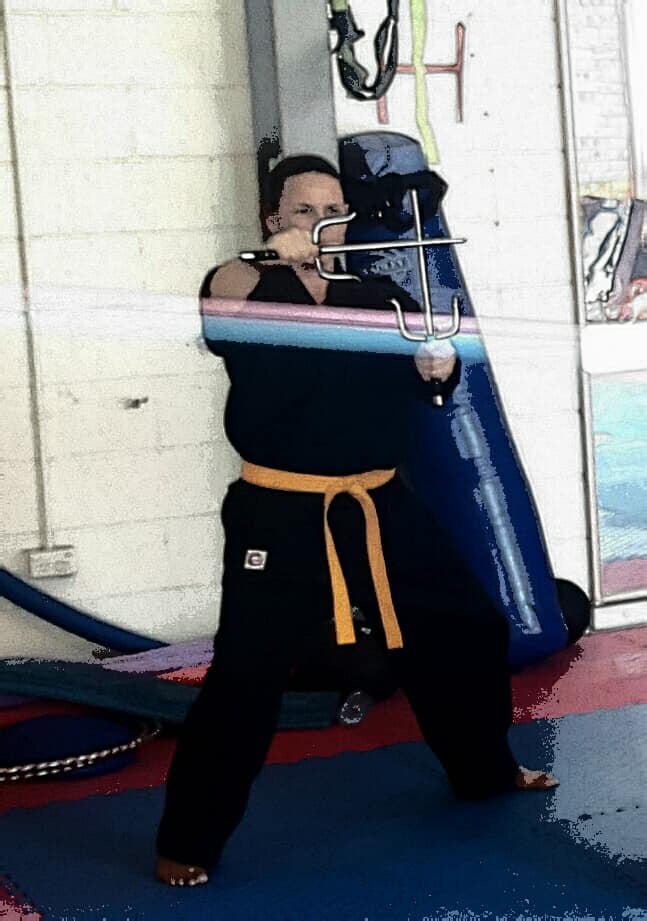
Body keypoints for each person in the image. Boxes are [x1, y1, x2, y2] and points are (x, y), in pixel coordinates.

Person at [155, 156, 558, 888]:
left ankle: (485, 770)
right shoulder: (248, 284)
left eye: (332, 210)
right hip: (281, 510)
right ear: (274, 218)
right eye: (304, 210)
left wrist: (436, 372)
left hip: (379, 500)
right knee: (247, 672)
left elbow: (421, 378)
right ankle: (189, 839)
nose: (321, 223)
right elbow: (218, 301)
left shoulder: (374, 295)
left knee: (466, 627)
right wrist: (269, 258)